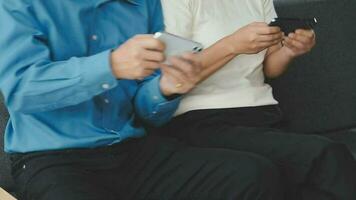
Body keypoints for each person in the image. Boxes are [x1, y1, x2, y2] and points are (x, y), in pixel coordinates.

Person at [0, 0, 286, 199]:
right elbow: (21, 90)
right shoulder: (21, 4)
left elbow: (146, 110)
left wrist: (167, 88)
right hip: (53, 158)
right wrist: (110, 65)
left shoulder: (144, 4)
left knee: (253, 175)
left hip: (132, 150)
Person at [158, 0, 356, 199]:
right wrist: (232, 45)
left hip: (262, 115)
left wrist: (290, 50)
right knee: (326, 156)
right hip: (202, 120)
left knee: (303, 180)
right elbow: (173, 76)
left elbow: (270, 67)